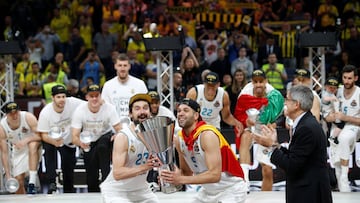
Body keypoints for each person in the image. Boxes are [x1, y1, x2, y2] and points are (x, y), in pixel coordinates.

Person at [253, 85, 333, 203]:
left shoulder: (306, 128)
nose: (284, 103)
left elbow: (291, 165)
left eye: (287, 99)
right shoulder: (304, 124)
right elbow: (294, 156)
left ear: (297, 104)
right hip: (307, 191)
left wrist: (272, 146)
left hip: (310, 194)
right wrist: (275, 144)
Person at [160, 98, 247, 202]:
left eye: (186, 110)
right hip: (208, 191)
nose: (180, 114)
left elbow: (215, 175)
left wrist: (181, 179)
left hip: (230, 190)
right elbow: (186, 173)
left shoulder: (207, 135)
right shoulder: (179, 139)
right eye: (179, 111)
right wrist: (171, 175)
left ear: (196, 116)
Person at [100, 93, 159, 203]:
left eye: (145, 108)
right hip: (117, 191)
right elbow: (117, 173)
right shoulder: (123, 136)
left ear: (150, 113)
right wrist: (145, 167)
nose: (142, 112)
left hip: (142, 190)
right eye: (137, 109)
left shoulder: (154, 135)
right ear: (130, 114)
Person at [234, 69, 284, 191]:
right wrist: (246, 121)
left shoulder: (273, 94)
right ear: (252, 82)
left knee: (267, 169)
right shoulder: (245, 92)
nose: (258, 85)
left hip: (266, 126)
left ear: (266, 82)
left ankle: (265, 197)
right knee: (245, 136)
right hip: (251, 126)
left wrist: (272, 127)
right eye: (255, 82)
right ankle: (244, 182)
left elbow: (276, 118)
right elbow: (239, 114)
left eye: (261, 81)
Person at [72, 84, 121, 192]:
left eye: (97, 96)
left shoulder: (109, 108)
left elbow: (119, 128)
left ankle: (107, 184)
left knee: (102, 146)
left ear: (100, 96)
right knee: (91, 172)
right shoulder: (80, 110)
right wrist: (81, 143)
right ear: (87, 97)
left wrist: (117, 136)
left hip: (105, 137)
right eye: (91, 96)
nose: (94, 99)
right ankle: (93, 192)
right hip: (88, 140)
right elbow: (74, 136)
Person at [38, 85, 86, 193]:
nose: (62, 100)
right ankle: (51, 183)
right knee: (49, 151)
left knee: (69, 166)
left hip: (69, 140)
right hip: (52, 139)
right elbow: (43, 135)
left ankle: (69, 190)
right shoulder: (45, 112)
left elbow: (89, 104)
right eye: (58, 97)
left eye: (63, 96)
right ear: (52, 98)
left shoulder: (73, 102)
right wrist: (54, 141)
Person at [326, 65, 360, 192]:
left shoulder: (359, 93)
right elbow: (326, 113)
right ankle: (343, 190)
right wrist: (330, 117)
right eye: (344, 78)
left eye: (350, 78)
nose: (346, 81)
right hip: (337, 126)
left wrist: (345, 117)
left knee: (344, 138)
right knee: (336, 162)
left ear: (355, 78)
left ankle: (345, 178)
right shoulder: (337, 90)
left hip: (353, 126)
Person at [0, 102, 41, 194]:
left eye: (16, 112)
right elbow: (4, 152)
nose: (14, 116)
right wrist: (8, 175)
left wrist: (25, 140)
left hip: (34, 145)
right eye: (11, 114)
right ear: (6, 115)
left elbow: (40, 136)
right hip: (18, 150)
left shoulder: (28, 117)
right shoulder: (2, 127)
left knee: (32, 145)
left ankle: (32, 182)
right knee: (18, 181)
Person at [101, 53, 148, 120]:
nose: (122, 68)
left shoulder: (140, 84)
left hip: (136, 126)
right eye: (120, 65)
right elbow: (104, 109)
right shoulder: (108, 85)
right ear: (115, 66)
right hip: (114, 126)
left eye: (125, 65)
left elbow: (146, 107)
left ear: (129, 66)